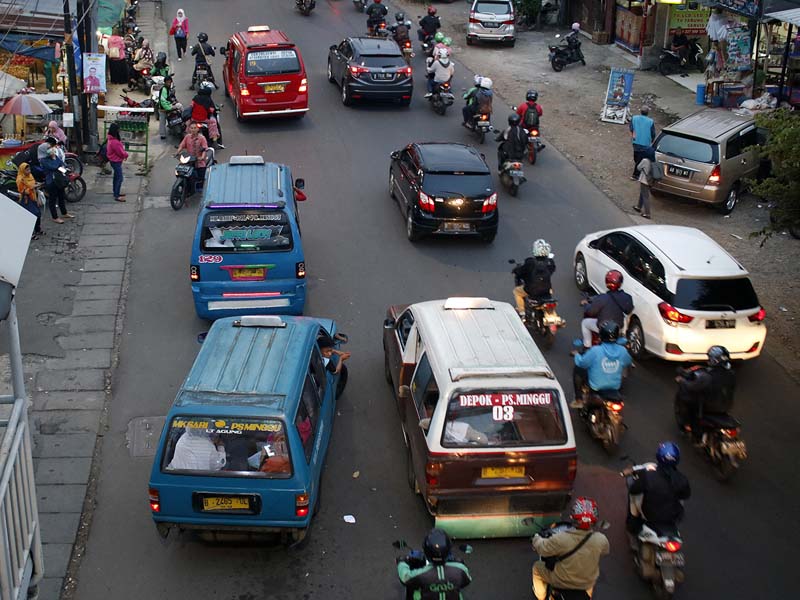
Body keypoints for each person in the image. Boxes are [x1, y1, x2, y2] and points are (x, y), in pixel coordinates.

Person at [531, 497, 610, 600]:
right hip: (586, 582)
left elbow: (542, 548)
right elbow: (605, 551)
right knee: (590, 584)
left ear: (573, 517)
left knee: (537, 568)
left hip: (561, 581)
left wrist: (536, 538)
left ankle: (541, 597)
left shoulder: (561, 538)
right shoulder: (601, 539)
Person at [625, 442, 691, 540]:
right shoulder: (683, 480)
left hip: (650, 514)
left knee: (633, 498)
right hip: (674, 516)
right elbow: (686, 495)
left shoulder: (648, 475)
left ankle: (632, 526)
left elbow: (634, 490)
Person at [675, 346, 735, 439]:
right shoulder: (731, 373)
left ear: (714, 360)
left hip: (708, 407)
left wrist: (682, 381)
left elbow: (693, 387)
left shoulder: (707, 376)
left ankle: (686, 426)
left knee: (686, 399)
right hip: (726, 405)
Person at [571, 321, 632, 408]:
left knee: (577, 369)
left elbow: (582, 363)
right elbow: (628, 362)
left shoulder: (595, 350)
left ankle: (578, 400)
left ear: (601, 335)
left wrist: (576, 355)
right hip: (615, 386)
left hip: (596, 386)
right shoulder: (622, 351)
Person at [397, 529, 472, 599]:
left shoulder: (421, 575)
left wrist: (401, 562)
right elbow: (466, 581)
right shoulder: (460, 569)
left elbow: (405, 578)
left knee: (415, 590)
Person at [580, 270, 633, 349]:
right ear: (620, 283)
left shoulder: (602, 298)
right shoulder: (626, 297)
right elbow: (629, 310)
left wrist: (586, 306)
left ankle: (586, 347)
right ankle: (623, 335)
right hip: (618, 329)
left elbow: (591, 312)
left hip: (603, 329)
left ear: (606, 282)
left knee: (585, 323)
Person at [512, 239, 556, 316]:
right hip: (546, 290)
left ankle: (522, 313)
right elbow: (552, 270)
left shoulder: (530, 262)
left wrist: (516, 270)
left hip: (532, 290)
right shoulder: (550, 262)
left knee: (517, 292)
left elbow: (520, 271)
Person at [39, 147, 74, 224]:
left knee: (61, 197)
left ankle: (64, 213)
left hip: (59, 180)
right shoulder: (44, 160)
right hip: (51, 181)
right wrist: (59, 166)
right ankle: (55, 217)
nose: (53, 151)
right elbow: (54, 167)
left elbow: (62, 164)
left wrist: (64, 168)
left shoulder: (56, 157)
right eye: (50, 150)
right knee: (53, 200)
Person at [177, 122, 210, 190]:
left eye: (195, 128)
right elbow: (182, 145)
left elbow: (204, 149)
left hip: (199, 161)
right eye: (191, 128)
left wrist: (202, 157)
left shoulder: (202, 138)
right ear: (189, 129)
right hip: (189, 160)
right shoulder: (187, 137)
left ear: (198, 129)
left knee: (201, 176)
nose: (193, 130)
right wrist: (177, 152)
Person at [191, 81, 224, 148]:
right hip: (204, 119)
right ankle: (217, 141)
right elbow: (211, 110)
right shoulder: (208, 99)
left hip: (194, 118)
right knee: (214, 122)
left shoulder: (195, 97)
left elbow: (191, 105)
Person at [16, 163, 44, 240]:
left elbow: (33, 183)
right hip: (26, 199)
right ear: (22, 170)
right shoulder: (20, 179)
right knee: (32, 215)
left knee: (38, 213)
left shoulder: (30, 175)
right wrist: (32, 188)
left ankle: (37, 229)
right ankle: (30, 233)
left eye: (29, 169)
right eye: (27, 170)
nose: (29, 171)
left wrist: (37, 184)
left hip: (33, 197)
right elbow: (22, 191)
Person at [629, 105, 656, 180]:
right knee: (640, 158)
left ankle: (637, 171)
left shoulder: (634, 118)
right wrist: (653, 140)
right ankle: (636, 175)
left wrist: (634, 134)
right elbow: (653, 132)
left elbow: (631, 128)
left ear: (640, 111)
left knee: (637, 156)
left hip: (636, 141)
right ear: (648, 113)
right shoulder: (650, 121)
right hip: (645, 142)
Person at [106, 123, 129, 202]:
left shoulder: (111, 139)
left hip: (114, 160)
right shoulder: (114, 142)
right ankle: (116, 195)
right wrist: (126, 155)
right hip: (116, 161)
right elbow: (120, 152)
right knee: (119, 178)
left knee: (116, 177)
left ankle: (116, 192)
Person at [157, 74, 182, 139]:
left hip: (170, 106)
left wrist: (174, 103)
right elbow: (163, 101)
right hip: (164, 109)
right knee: (162, 122)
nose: (169, 83)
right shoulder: (164, 89)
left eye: (170, 82)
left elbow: (173, 98)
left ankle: (182, 124)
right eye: (167, 82)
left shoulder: (170, 89)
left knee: (180, 108)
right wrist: (169, 108)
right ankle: (162, 135)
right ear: (165, 82)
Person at [634, 146, 655, 219]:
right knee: (642, 193)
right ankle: (638, 206)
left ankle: (647, 213)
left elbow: (638, 167)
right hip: (650, 181)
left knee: (645, 196)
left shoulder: (645, 160)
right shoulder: (654, 161)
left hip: (644, 180)